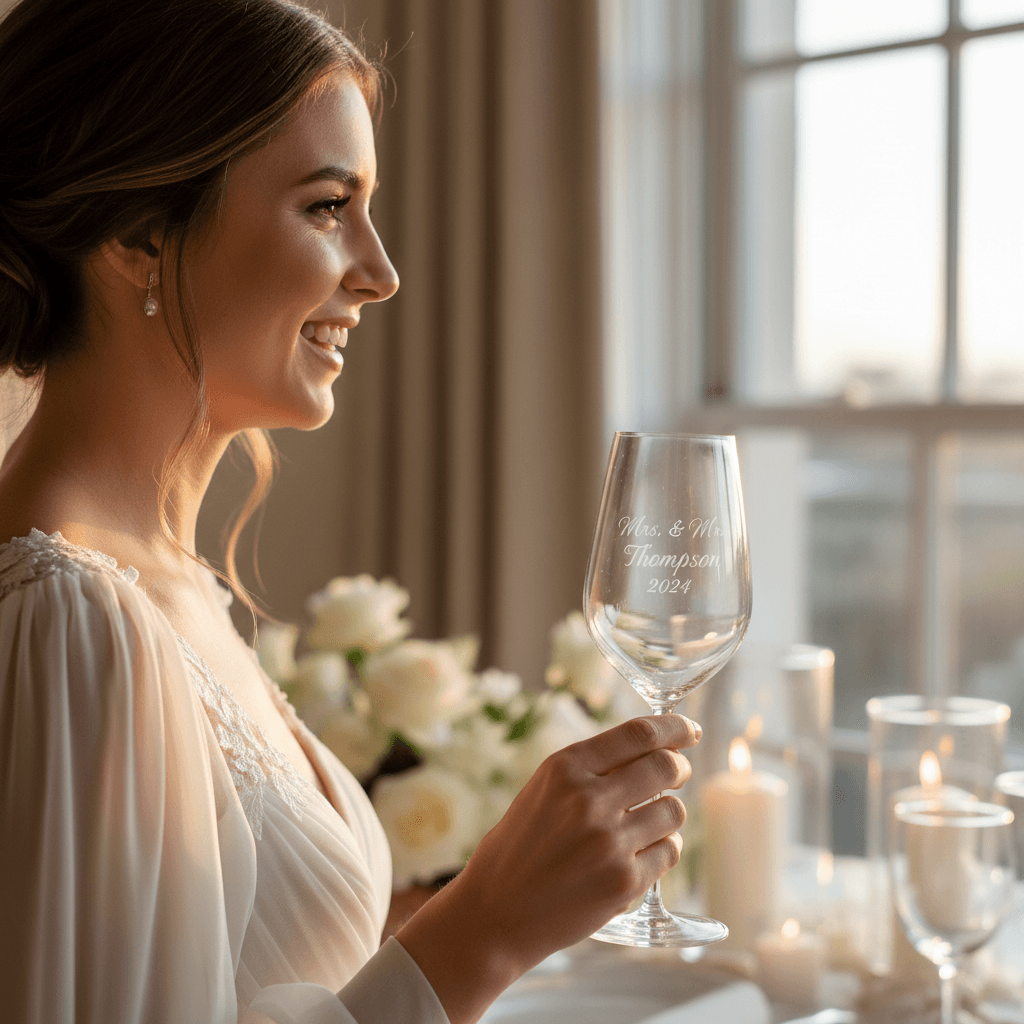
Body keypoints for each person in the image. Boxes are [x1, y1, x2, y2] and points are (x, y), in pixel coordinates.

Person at [0, 1, 700, 1022]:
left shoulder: (160, 581)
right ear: (140, 235)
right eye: (328, 206)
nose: (381, 273)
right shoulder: (78, 625)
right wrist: (482, 930)